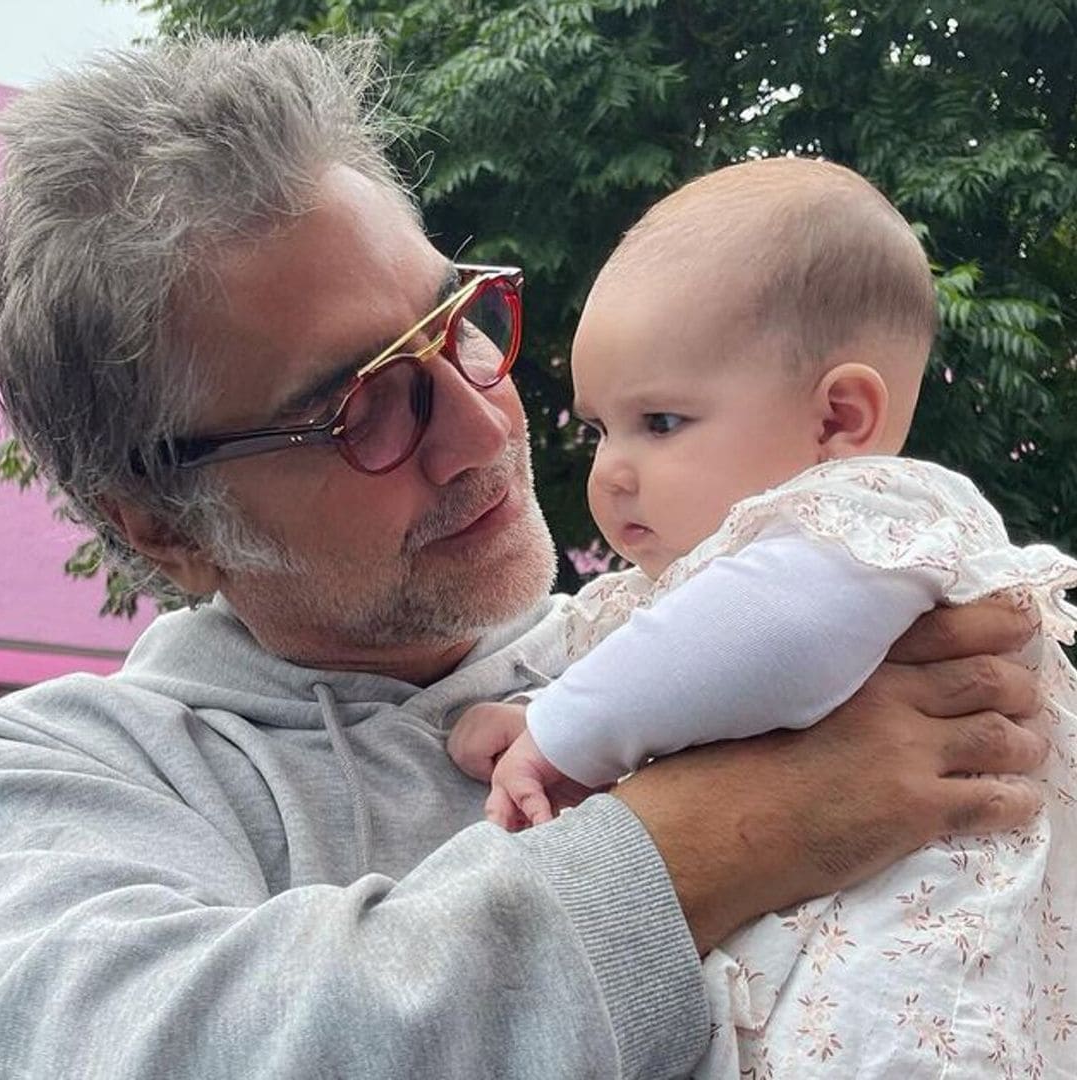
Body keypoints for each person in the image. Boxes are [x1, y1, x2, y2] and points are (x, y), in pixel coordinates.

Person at [0, 36, 1048, 1080]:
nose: (484, 428)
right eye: (357, 408)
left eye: (458, 324)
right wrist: (729, 833)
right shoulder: (77, 772)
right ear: (162, 525)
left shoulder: (694, 632)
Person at [447, 159, 1077, 1075]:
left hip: (919, 1007)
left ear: (838, 419)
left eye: (660, 422)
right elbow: (686, 680)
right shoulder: (717, 580)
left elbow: (769, 643)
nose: (610, 472)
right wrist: (548, 715)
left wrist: (562, 729)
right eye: (599, 430)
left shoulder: (874, 516)